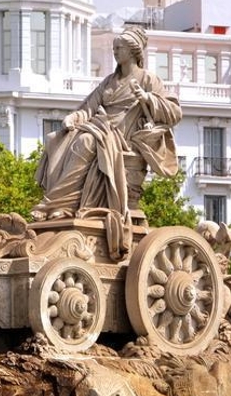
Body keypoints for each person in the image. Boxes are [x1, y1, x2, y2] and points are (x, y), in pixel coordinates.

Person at [32, 27, 182, 250]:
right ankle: (62, 206)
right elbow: (89, 108)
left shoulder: (148, 79)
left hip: (125, 137)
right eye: (114, 48)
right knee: (62, 138)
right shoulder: (109, 81)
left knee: (86, 141)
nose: (115, 52)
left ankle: (55, 203)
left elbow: (174, 112)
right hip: (103, 128)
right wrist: (74, 117)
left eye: (119, 48)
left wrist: (148, 98)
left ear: (133, 51)